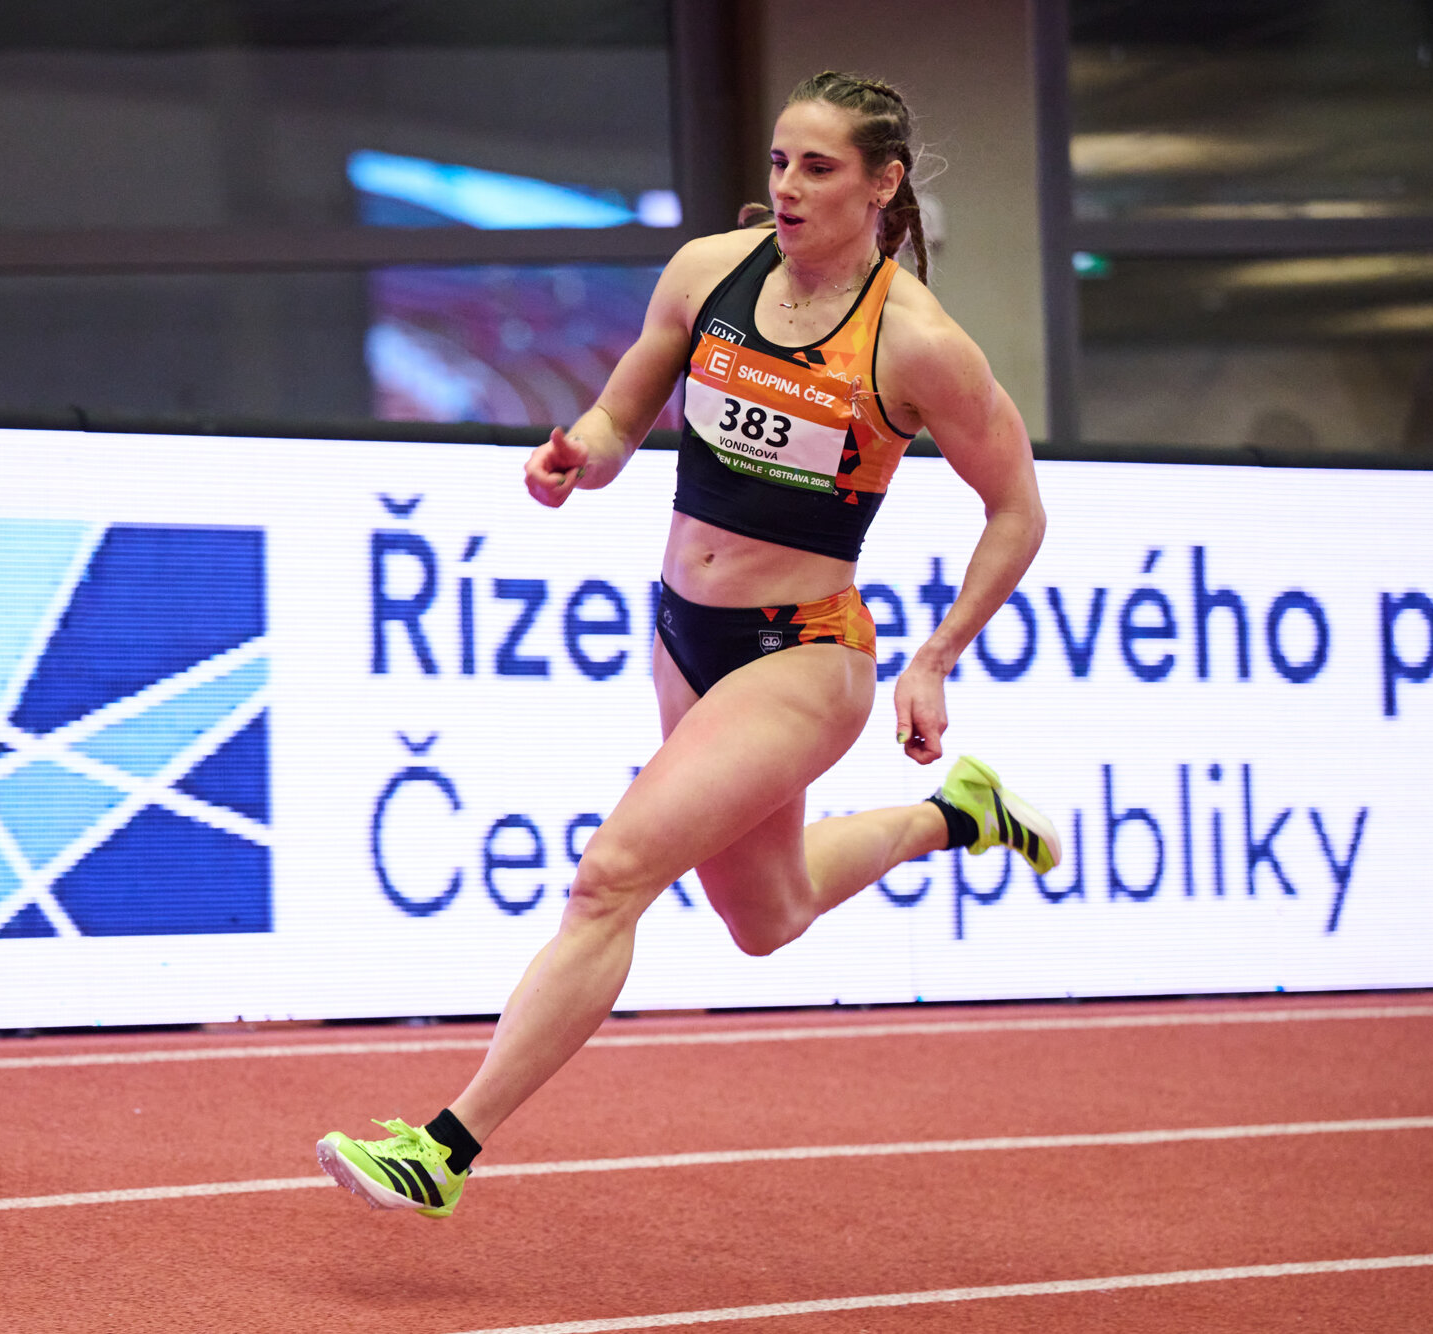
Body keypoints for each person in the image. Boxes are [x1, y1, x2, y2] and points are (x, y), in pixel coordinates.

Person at [317, 71, 1061, 1218]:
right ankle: (955, 815)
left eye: (817, 168)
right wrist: (578, 455)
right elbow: (620, 416)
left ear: (881, 184)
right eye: (777, 162)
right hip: (681, 630)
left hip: (803, 655)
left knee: (611, 874)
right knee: (766, 917)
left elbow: (1015, 509)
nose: (787, 186)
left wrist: (934, 657)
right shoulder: (709, 272)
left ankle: (443, 1147)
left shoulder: (917, 343)